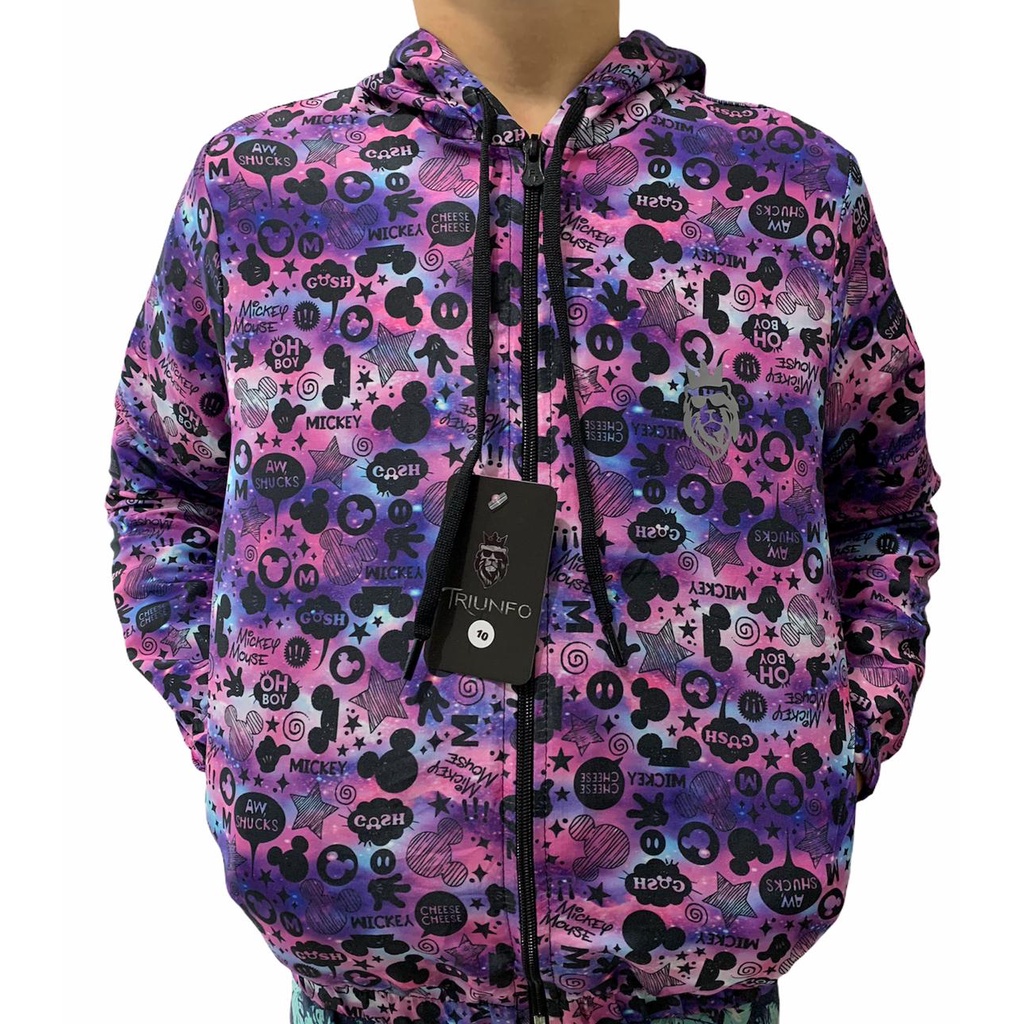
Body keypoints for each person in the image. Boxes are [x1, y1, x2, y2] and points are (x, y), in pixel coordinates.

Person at [103, 2, 942, 1022]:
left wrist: (845, 733)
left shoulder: (787, 187)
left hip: (700, 973)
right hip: (363, 979)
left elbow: (879, 504)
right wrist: (240, 723)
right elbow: (162, 484)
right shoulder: (263, 186)